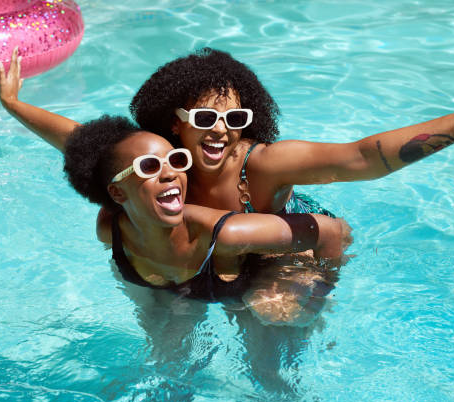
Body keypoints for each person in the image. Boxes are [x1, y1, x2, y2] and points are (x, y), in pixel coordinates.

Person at [0, 48, 454, 219]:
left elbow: (361, 158)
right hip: (207, 253)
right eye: (204, 119)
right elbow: (79, 139)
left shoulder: (261, 164)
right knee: (163, 309)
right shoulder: (160, 161)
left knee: (273, 313)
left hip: (283, 248)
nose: (220, 132)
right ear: (176, 123)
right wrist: (13, 103)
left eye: (235, 121)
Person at [63, 115, 351, 301]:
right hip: (177, 292)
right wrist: (15, 104)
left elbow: (330, 231)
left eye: (177, 161)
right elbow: (83, 148)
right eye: (149, 166)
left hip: (246, 284)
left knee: (270, 356)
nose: (169, 174)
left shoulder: (225, 233)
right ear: (115, 192)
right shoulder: (109, 230)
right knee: (166, 369)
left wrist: (318, 296)